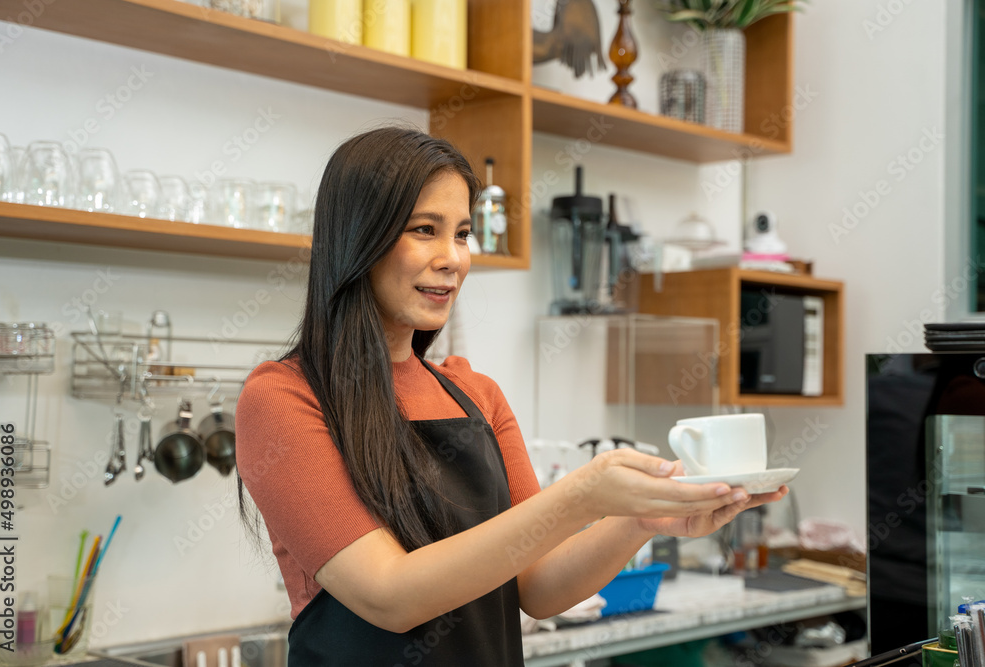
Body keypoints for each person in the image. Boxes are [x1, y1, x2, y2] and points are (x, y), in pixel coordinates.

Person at [235, 126, 787, 666]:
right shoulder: (283, 398)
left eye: (461, 233)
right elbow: (390, 595)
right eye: (425, 229)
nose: (454, 258)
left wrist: (639, 518)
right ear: (359, 238)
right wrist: (583, 495)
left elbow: (539, 588)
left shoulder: (475, 394)